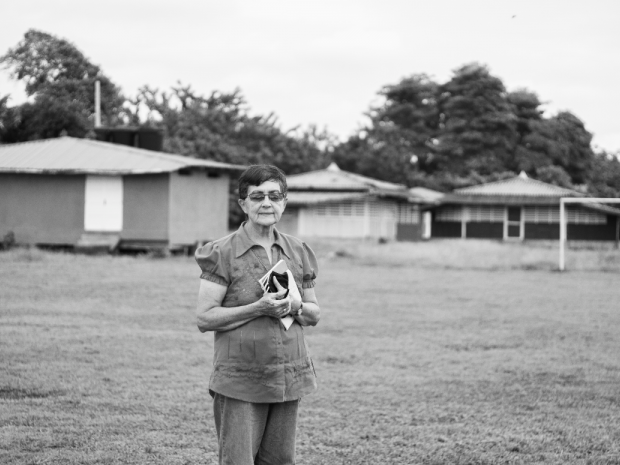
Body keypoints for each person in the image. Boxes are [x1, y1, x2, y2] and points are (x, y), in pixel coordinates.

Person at [195, 164, 320, 465]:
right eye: (257, 196)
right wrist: (258, 308)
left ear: (284, 201)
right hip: (240, 378)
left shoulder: (298, 250)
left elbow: (314, 313)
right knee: (238, 460)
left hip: (287, 375)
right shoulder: (221, 252)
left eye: (275, 195)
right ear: (243, 204)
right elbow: (205, 318)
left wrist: (296, 306)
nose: (267, 203)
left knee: (279, 461)